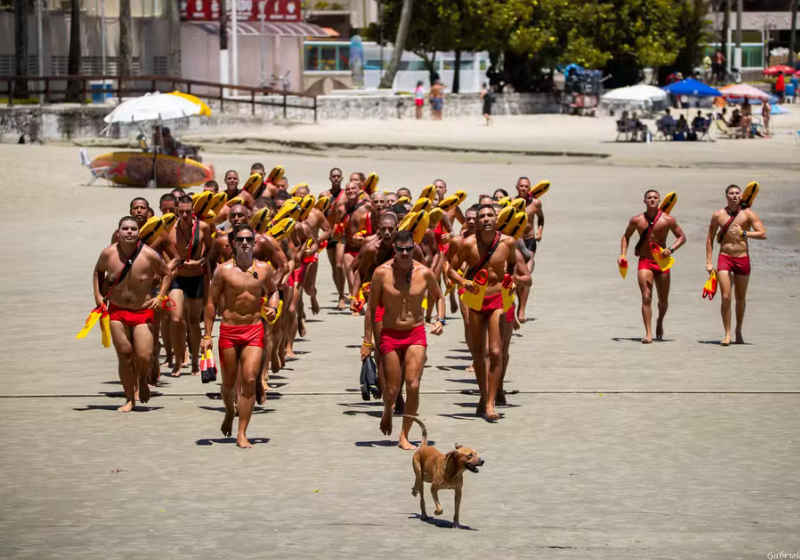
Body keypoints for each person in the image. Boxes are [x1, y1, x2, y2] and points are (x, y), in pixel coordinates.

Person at [362, 230, 445, 449]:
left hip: (415, 333)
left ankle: (404, 435)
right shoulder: (381, 273)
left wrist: (440, 319)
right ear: (394, 249)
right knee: (391, 388)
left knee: (414, 384)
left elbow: (439, 297)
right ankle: (388, 410)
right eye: (401, 249)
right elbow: (371, 309)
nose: (405, 253)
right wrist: (367, 341)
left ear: (414, 246)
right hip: (390, 333)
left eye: (409, 248)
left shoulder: (425, 272)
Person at [202, 224, 279, 448]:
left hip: (254, 330)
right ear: (233, 244)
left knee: (250, 379)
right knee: (227, 384)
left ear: (254, 243)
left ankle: (242, 432)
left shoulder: (264, 269)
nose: (245, 243)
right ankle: (228, 411)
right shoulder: (223, 270)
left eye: (248, 239)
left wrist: (273, 306)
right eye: (240, 240)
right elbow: (211, 303)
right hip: (229, 330)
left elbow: (273, 291)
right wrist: (207, 336)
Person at [448, 205, 520, 421]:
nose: (486, 219)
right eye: (482, 216)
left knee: (496, 352)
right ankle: (483, 396)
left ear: (497, 219)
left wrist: (511, 282)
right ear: (476, 222)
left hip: (498, 299)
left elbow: (514, 266)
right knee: (479, 354)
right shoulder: (467, 244)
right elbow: (450, 269)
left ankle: (490, 404)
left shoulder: (508, 242)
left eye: (490, 215)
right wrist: (464, 281)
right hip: (476, 299)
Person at [93, 217, 172, 412]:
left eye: (133, 229)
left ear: (138, 233)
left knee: (144, 356)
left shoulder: (149, 255)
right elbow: (97, 272)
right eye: (125, 228)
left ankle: (143, 380)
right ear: (118, 232)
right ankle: (130, 398)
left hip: (142, 310)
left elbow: (167, 274)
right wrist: (98, 295)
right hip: (117, 311)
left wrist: (160, 296)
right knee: (125, 356)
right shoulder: (108, 253)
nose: (129, 232)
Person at [618, 190, 687, 344]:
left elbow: (682, 237)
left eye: (655, 198)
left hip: (662, 262)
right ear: (644, 201)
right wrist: (623, 255)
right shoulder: (637, 220)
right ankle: (648, 333)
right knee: (646, 297)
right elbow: (626, 236)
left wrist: (671, 248)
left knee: (663, 301)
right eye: (649, 198)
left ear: (659, 200)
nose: (652, 200)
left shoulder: (668, 219)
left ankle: (660, 321)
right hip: (645, 261)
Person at [705, 185, 767, 346]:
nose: (734, 196)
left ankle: (738, 329)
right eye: (731, 193)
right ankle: (727, 333)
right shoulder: (718, 215)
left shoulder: (748, 214)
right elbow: (710, 238)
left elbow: (763, 234)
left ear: (741, 196)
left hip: (742, 258)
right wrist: (709, 261)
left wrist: (744, 233)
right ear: (726, 196)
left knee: (740, 298)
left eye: (737, 193)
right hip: (725, 257)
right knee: (726, 296)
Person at [162, 195, 213, 375]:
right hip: (177, 278)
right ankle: (177, 360)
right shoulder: (169, 229)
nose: (184, 215)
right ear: (176, 211)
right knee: (176, 319)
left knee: (193, 321)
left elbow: (210, 249)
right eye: (181, 211)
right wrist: (172, 265)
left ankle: (195, 362)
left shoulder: (203, 228)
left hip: (196, 277)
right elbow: (163, 249)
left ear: (193, 211)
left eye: (188, 211)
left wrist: (200, 262)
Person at [516, 177, 544, 323]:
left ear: (530, 188)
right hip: (516, 241)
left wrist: (540, 231)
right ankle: (518, 302)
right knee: (517, 274)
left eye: (526, 186)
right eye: (521, 186)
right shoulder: (512, 204)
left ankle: (521, 310)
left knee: (526, 273)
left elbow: (541, 218)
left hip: (530, 241)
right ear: (516, 187)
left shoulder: (536, 203)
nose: (523, 188)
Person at [321, 167, 347, 309]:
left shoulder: (346, 195)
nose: (336, 178)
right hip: (329, 234)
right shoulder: (324, 195)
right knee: (333, 267)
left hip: (340, 234)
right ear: (330, 178)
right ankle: (340, 293)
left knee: (339, 264)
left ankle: (343, 297)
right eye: (334, 176)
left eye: (338, 176)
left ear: (342, 178)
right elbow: (319, 214)